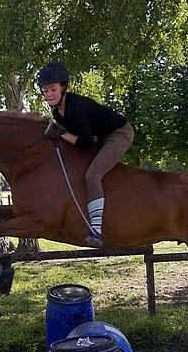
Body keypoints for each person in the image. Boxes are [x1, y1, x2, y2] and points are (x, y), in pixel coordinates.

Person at [37, 61, 134, 248]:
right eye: (45, 90)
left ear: (63, 87)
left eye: (52, 89)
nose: (48, 94)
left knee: (93, 174)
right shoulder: (57, 112)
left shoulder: (74, 107)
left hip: (120, 133)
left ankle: (96, 231)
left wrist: (61, 133)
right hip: (103, 137)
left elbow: (85, 142)